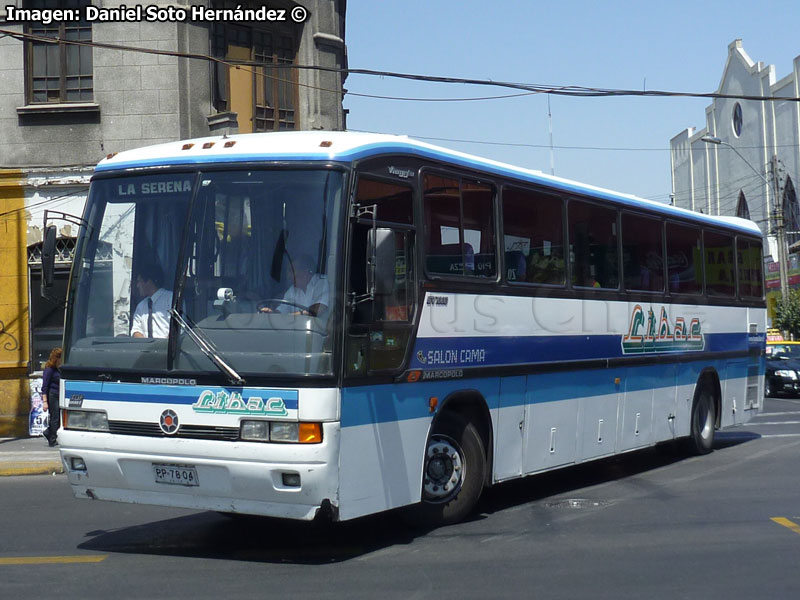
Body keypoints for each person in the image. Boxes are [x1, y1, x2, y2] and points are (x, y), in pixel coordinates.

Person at [260, 254, 329, 316]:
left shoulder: (321, 282)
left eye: (291, 271)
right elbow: (282, 311)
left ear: (305, 272)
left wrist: (292, 316)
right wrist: (272, 314)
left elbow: (319, 307)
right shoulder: (292, 290)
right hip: (298, 329)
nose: (288, 276)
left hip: (321, 329)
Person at [131, 261, 173, 338]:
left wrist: (162, 346)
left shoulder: (171, 299)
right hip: (147, 348)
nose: (137, 286)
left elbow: (177, 330)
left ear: (148, 282)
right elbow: (136, 330)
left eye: (139, 281)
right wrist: (147, 346)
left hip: (166, 347)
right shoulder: (141, 306)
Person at [41, 347, 62, 447]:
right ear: (56, 358)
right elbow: (44, 386)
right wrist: (45, 402)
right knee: (55, 418)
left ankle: (48, 432)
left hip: (59, 394)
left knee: (58, 418)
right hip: (52, 395)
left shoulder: (58, 368)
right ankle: (52, 439)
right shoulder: (49, 369)